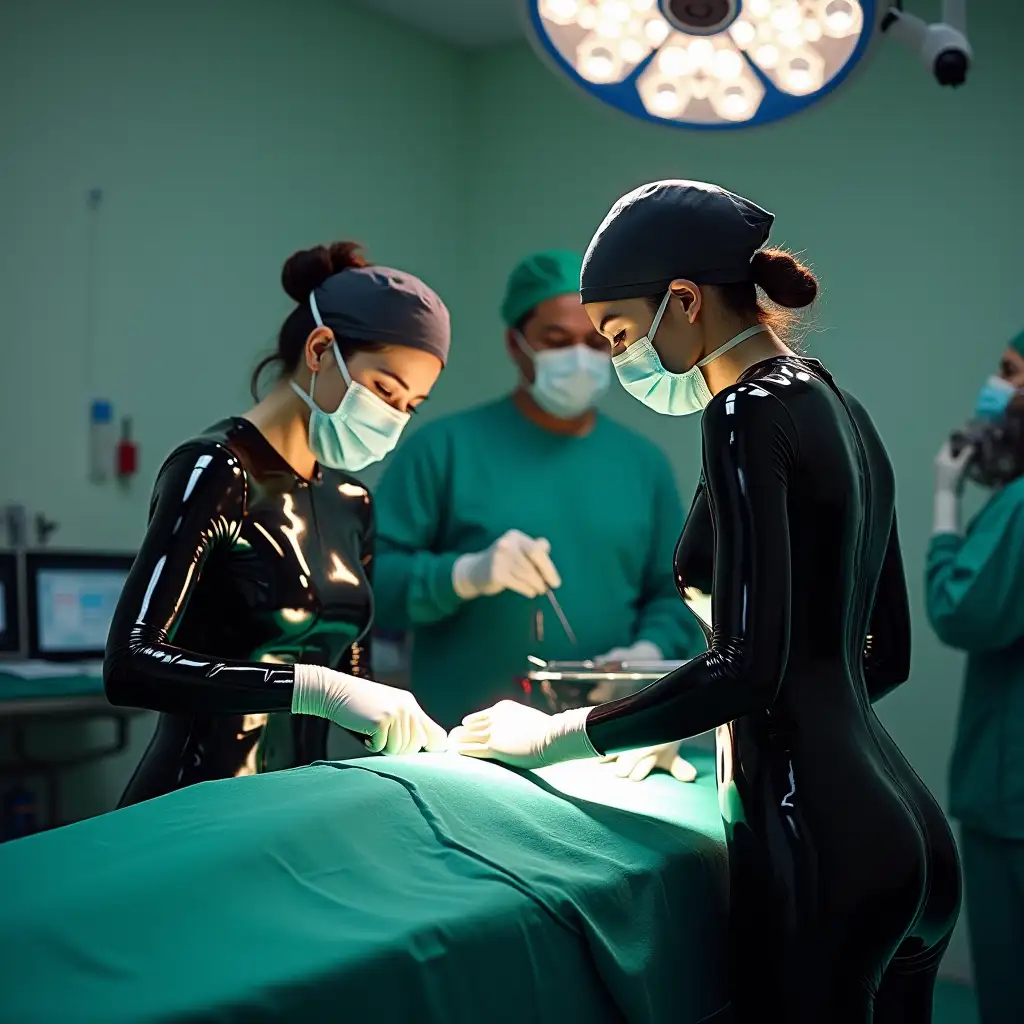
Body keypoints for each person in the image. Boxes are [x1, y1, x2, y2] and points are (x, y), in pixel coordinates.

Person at [451, 181, 961, 1023]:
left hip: (816, 839)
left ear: (683, 301)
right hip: (903, 827)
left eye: (619, 335)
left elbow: (749, 668)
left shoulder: (744, 410)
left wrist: (553, 737)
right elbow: (882, 658)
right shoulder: (843, 407)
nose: (617, 361)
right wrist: (683, 722)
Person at [105, 241, 450, 806]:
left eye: (411, 404)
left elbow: (355, 680)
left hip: (292, 812)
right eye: (385, 390)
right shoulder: (216, 471)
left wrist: (429, 739)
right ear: (320, 350)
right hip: (191, 806)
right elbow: (130, 665)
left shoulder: (352, 501)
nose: (393, 417)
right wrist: (315, 687)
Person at [372, 249, 705, 779]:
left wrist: (644, 655)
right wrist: (462, 575)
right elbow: (370, 588)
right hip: (458, 750)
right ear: (516, 343)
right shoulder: (443, 450)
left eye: (596, 342)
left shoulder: (642, 465)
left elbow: (675, 596)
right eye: (555, 340)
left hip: (601, 745)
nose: (579, 355)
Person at [927, 349, 1024, 1024]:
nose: (999, 387)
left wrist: (944, 502)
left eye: (1016, 372)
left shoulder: (1019, 506)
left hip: (1013, 795)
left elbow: (962, 611)